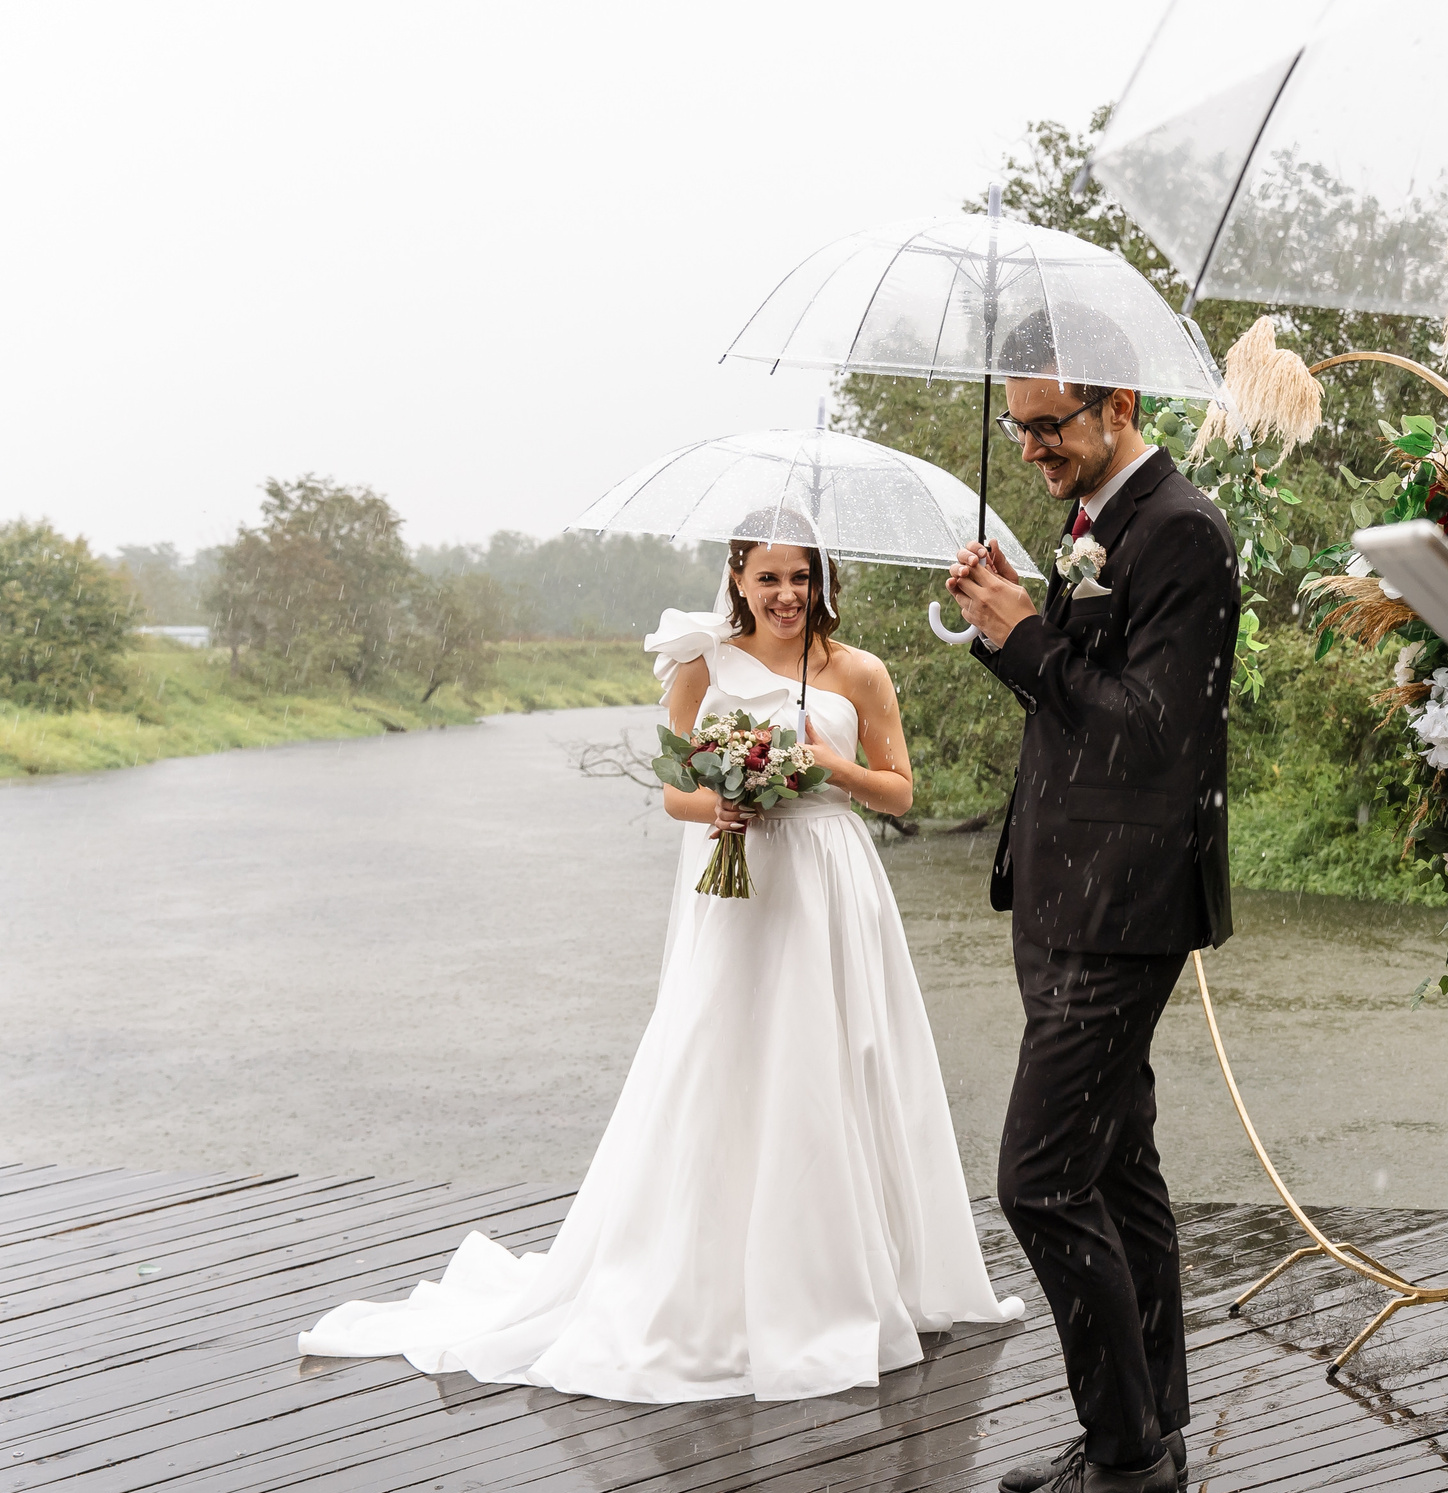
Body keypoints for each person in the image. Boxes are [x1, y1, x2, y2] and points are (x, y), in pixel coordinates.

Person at [301, 512, 1021, 1401]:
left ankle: (847, 1271)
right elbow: (673, 785)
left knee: (833, 1057)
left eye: (802, 577)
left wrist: (827, 764)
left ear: (823, 581)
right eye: (769, 579)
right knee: (718, 1055)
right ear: (739, 581)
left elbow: (901, 790)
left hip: (830, 882)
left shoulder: (860, 671)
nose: (787, 595)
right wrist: (720, 806)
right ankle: (703, 1275)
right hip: (737, 881)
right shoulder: (701, 665)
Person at [942, 305, 1238, 1493]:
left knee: (1037, 1177)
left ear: (1119, 408)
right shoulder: (1095, 529)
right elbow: (1084, 689)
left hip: (1124, 905)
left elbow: (1153, 734)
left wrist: (1025, 642)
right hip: (1060, 888)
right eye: (1016, 430)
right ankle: (1146, 1427)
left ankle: (1121, 1460)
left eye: (1047, 425)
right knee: (1114, 1164)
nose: (1031, 450)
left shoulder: (1183, 533)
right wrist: (1022, 617)